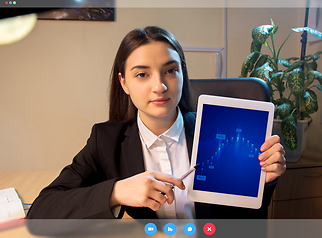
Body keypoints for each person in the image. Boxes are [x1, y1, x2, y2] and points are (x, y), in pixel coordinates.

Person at [27, 26, 286, 219]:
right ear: (124, 83)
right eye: (142, 74)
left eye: (171, 70)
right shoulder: (106, 142)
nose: (159, 86)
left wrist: (263, 182)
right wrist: (116, 192)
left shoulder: (218, 133)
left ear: (183, 74)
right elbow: (42, 209)